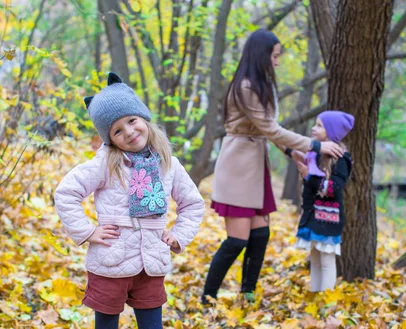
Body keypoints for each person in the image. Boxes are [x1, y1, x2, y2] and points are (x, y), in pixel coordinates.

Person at [202, 29, 344, 304]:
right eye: (275, 56)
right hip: (238, 165)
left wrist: (290, 151)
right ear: (262, 55)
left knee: (261, 234)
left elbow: (267, 130)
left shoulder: (258, 85)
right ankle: (208, 297)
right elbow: (271, 129)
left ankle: (248, 294)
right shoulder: (245, 86)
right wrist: (315, 146)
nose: (277, 62)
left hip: (255, 163)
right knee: (237, 241)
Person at [54, 72, 205, 329]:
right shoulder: (106, 163)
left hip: (152, 263)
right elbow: (66, 192)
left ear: (143, 117)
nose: (129, 132)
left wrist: (179, 234)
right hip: (110, 261)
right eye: (117, 130)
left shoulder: (168, 164)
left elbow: (193, 203)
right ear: (109, 138)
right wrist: (87, 231)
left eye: (132, 120)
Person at [293, 111, 354, 292]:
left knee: (327, 260)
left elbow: (332, 189)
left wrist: (308, 175)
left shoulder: (340, 159)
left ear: (331, 132)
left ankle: (327, 302)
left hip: (328, 219)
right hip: (312, 216)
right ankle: (315, 296)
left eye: (319, 125)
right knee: (315, 260)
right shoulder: (314, 154)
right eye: (315, 124)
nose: (313, 128)